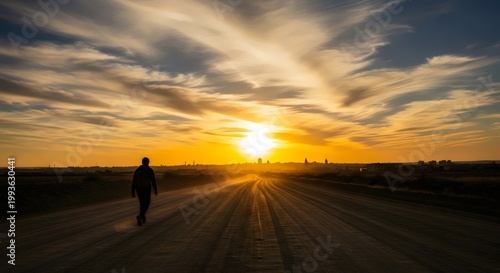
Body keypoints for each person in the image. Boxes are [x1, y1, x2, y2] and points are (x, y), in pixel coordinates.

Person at [131, 157, 158, 226]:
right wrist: (155, 190)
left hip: (138, 188)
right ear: (148, 162)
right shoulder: (149, 170)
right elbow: (153, 181)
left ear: (142, 162)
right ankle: (140, 216)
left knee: (141, 203)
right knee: (147, 203)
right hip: (146, 188)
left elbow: (134, 181)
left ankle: (143, 218)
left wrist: (133, 191)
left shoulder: (137, 170)